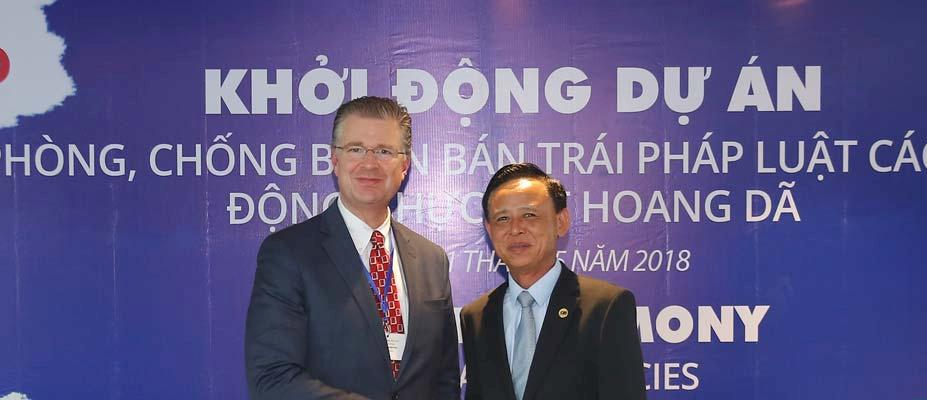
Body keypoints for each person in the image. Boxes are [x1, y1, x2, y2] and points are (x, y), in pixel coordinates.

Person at [245, 96, 459, 400]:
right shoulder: (288, 254)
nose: (369, 163)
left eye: (384, 151)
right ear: (335, 160)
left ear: (405, 165)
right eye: (356, 149)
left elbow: (445, 379)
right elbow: (272, 378)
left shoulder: (432, 260)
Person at [459, 163, 647, 400]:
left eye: (529, 215)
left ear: (561, 221)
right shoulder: (475, 316)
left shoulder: (605, 308)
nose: (515, 229)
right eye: (503, 218)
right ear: (489, 229)